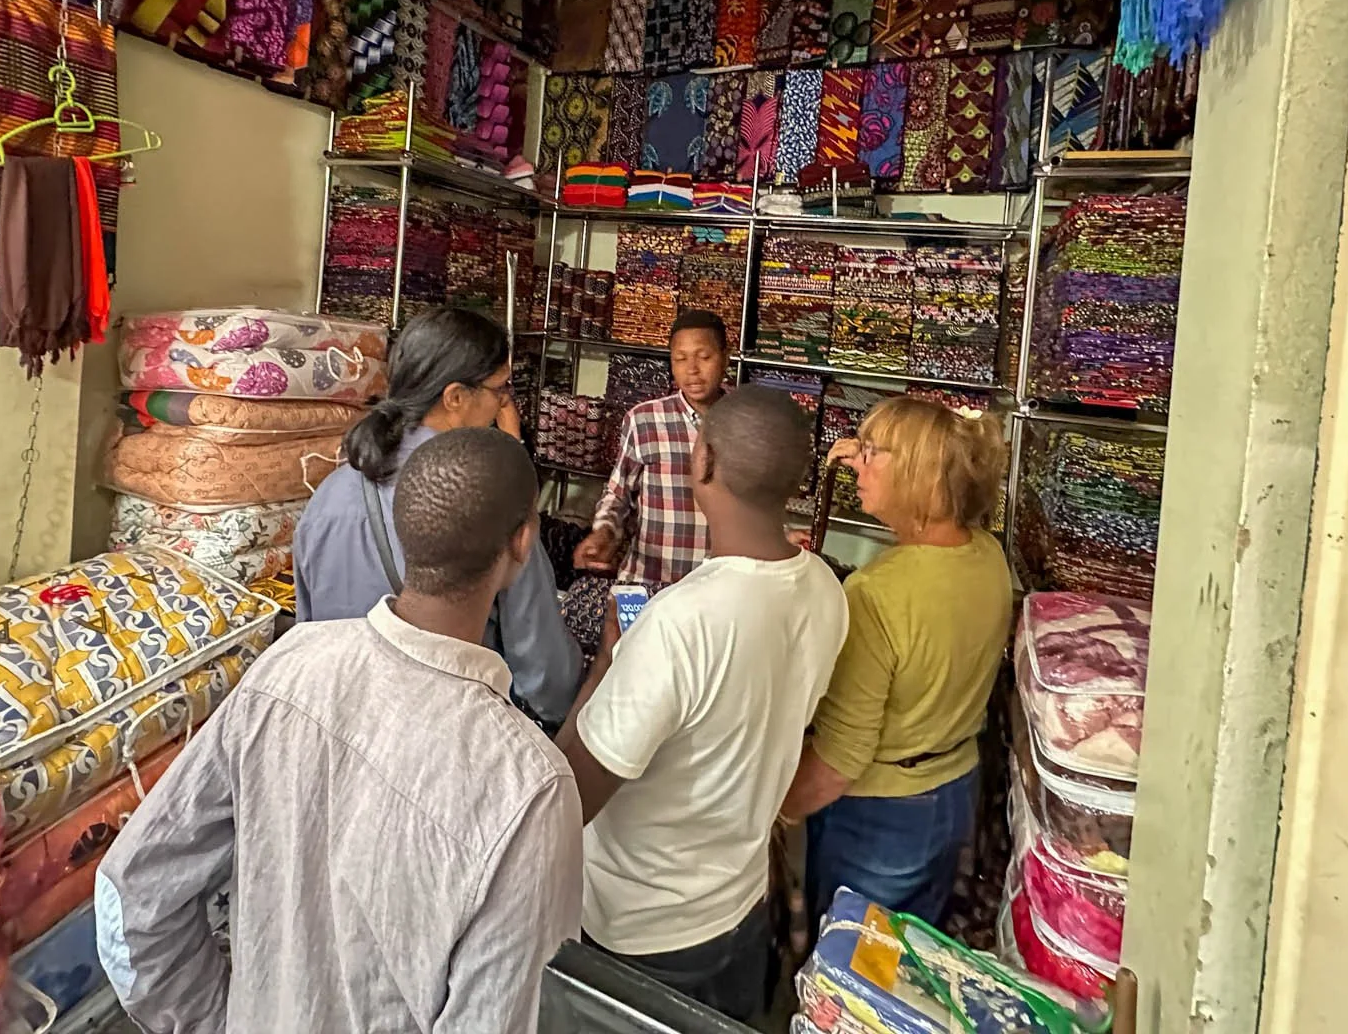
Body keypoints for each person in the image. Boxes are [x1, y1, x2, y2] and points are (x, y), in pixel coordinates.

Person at [96, 428, 583, 1034]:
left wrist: (218, 1020)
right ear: (522, 543)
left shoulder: (289, 664)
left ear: (407, 532)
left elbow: (131, 894)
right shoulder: (529, 786)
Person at [558, 387, 847, 1021]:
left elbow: (569, 796)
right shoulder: (827, 589)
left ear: (704, 464)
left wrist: (607, 665)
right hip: (740, 907)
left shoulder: (679, 622)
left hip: (640, 929)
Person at [779, 397, 1013, 927]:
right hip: (954, 789)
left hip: (881, 815)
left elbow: (840, 760)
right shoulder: (986, 554)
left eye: (873, 452)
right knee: (907, 959)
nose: (858, 462)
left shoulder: (877, 594)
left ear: (918, 475)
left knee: (852, 978)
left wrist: (773, 808)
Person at [295, 305, 580, 727]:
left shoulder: (330, 497)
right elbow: (543, 673)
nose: (505, 405)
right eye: (500, 390)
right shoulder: (488, 496)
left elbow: (311, 632)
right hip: (444, 726)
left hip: (341, 720)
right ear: (456, 397)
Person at [573, 308, 731, 588]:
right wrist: (603, 533)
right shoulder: (644, 420)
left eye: (704, 357)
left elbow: (760, 501)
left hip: (716, 588)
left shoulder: (744, 421)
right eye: (680, 359)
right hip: (648, 580)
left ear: (726, 357)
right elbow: (617, 494)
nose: (692, 369)